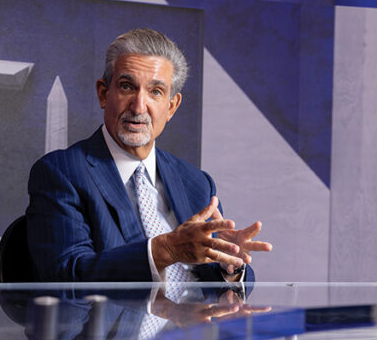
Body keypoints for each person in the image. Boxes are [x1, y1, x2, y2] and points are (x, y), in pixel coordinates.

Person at [26, 28, 271, 283]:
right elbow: (66, 275)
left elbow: (219, 282)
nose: (139, 106)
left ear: (171, 106)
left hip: (193, 323)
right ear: (103, 93)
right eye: (126, 87)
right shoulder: (61, 173)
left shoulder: (197, 184)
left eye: (155, 91)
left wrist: (229, 265)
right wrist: (166, 250)